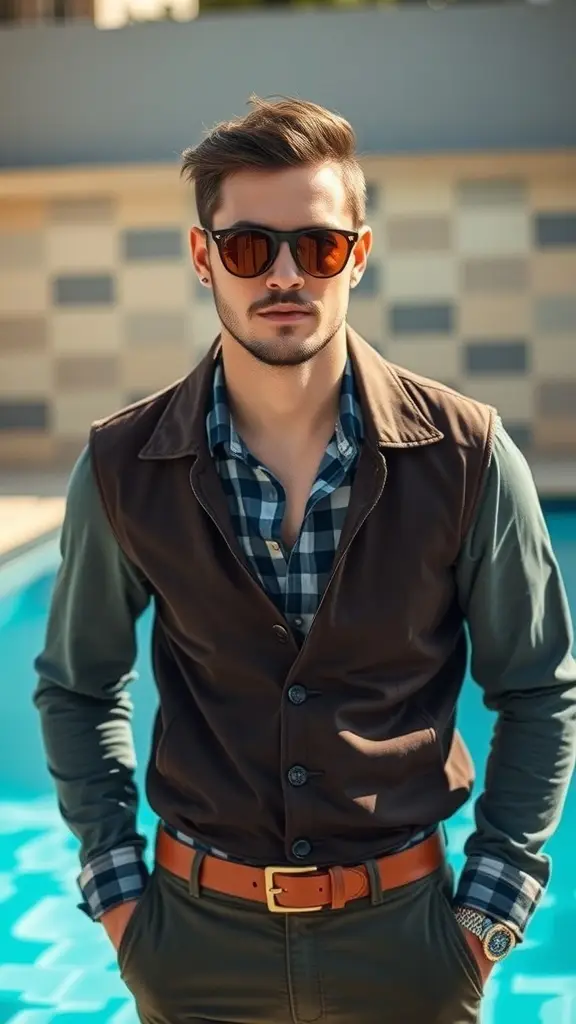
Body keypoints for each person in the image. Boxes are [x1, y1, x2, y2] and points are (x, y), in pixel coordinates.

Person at [33, 97, 576, 1024]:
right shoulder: (123, 467)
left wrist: (486, 918)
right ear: (203, 256)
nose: (284, 275)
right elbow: (79, 688)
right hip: (192, 950)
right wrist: (122, 904)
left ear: (357, 255)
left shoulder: (468, 457)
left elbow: (537, 689)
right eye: (249, 247)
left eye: (317, 247)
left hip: (409, 949)